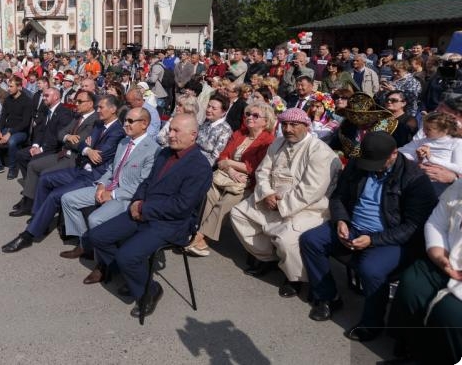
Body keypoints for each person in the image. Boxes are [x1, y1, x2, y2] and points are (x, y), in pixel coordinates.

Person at [300, 132, 436, 342]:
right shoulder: (358, 164)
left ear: (393, 154)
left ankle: (372, 322)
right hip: (353, 227)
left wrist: (373, 240)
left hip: (391, 237)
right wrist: (341, 221)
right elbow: (339, 197)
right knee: (311, 240)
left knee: (371, 269)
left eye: (377, 163)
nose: (371, 168)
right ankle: (327, 296)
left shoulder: (415, 179)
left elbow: (413, 227)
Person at [87, 114, 212, 318]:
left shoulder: (200, 167)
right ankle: (136, 278)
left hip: (171, 224)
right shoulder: (164, 154)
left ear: (193, 135)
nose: (170, 134)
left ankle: (149, 291)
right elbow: (146, 183)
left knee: (127, 256)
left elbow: (181, 206)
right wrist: (137, 202)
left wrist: (144, 209)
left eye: (176, 131)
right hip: (143, 211)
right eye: (170, 129)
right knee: (97, 236)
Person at [230, 107, 342, 298]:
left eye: (294, 125)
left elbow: (311, 190)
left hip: (308, 208)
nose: (288, 129)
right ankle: (268, 258)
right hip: (271, 198)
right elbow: (262, 171)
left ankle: (295, 279)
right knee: (238, 214)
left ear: (306, 126)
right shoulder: (278, 143)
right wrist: (266, 194)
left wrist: (280, 205)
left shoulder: (320, 151)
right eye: (285, 125)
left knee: (287, 239)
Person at [0, 95, 125, 253]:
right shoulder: (99, 124)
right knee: (45, 178)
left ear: (113, 110)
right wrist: (87, 149)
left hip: (93, 176)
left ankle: (28, 235)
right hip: (80, 168)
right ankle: (40, 220)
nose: (98, 110)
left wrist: (87, 147)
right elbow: (81, 143)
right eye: (98, 107)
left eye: (101, 107)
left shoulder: (117, 131)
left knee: (55, 195)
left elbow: (101, 156)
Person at [59, 108, 160, 260]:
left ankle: (102, 264)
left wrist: (111, 194)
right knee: (67, 199)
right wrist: (101, 184)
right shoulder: (124, 142)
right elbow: (112, 168)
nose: (125, 124)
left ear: (144, 124)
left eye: (130, 121)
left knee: (95, 219)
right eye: (125, 120)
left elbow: (142, 185)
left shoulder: (152, 150)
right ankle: (85, 244)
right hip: (108, 187)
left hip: (126, 197)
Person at [185, 101, 276, 257]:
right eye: (248, 114)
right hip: (227, 175)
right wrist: (231, 168)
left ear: (266, 121)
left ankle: (199, 237)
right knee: (209, 194)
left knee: (225, 203)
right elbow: (222, 157)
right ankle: (199, 236)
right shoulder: (239, 134)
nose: (249, 118)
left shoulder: (268, 141)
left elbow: (255, 168)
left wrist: (230, 163)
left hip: (247, 182)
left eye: (255, 115)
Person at [388, 178, 462, 365]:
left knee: (450, 314)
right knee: (412, 285)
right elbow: (437, 222)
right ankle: (410, 349)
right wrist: (439, 254)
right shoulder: (459, 187)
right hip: (445, 258)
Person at [9, 89, 99, 216]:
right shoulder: (79, 117)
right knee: (33, 165)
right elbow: (60, 134)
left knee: (45, 173)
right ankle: (28, 202)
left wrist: (67, 139)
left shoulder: (94, 120)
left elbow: (78, 143)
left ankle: (39, 213)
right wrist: (68, 137)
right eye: (75, 101)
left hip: (74, 159)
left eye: (80, 101)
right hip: (63, 153)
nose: (76, 104)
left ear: (90, 104)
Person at [0, 76, 32, 177]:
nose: (8, 88)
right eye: (8, 86)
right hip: (6, 129)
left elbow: (25, 123)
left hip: (20, 131)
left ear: (19, 87)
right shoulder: (8, 99)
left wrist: (10, 133)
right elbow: (3, 117)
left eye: (11, 86)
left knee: (12, 142)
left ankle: (13, 168)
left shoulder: (27, 101)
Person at [399, 112, 462, 195]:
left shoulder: (456, 143)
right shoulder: (421, 141)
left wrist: (431, 159)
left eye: (429, 129)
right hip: (419, 183)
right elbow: (402, 153)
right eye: (424, 128)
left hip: (441, 188)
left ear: (444, 130)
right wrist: (417, 158)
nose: (424, 131)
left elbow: (459, 169)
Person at [197, 93, 233, 166]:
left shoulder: (225, 130)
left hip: (202, 165)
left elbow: (216, 157)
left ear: (223, 112)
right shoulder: (207, 123)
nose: (209, 110)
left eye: (214, 108)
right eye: (209, 106)